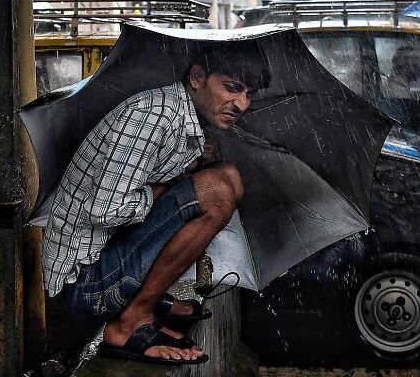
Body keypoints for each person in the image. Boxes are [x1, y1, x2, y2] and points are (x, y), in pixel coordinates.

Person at [41, 47, 271, 364]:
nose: (242, 104)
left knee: (228, 176)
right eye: (232, 88)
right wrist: (165, 188)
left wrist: (189, 166)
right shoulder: (153, 116)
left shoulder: (183, 119)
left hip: (107, 260)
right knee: (216, 190)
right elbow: (105, 210)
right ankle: (130, 321)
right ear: (197, 78)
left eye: (249, 93)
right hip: (84, 287)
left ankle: (144, 301)